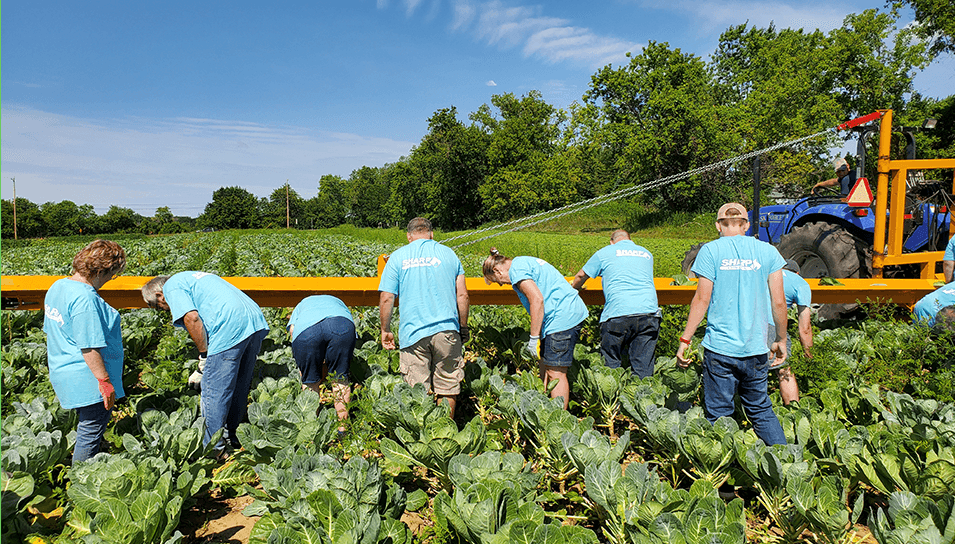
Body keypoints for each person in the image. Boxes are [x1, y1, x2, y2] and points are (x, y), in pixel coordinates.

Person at [676, 202, 788, 447]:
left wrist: (685, 340)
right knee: (760, 410)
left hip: (720, 349)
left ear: (718, 225)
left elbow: (701, 299)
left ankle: (723, 481)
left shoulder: (710, 251)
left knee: (719, 415)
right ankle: (788, 466)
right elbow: (779, 302)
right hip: (757, 348)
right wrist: (780, 339)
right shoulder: (768, 252)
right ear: (746, 225)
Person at [142, 272, 268, 452]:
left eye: (160, 306)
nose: (165, 309)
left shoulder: (171, 286)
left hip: (229, 325)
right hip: (253, 322)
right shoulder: (192, 278)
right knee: (239, 383)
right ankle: (234, 434)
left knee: (213, 389)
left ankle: (214, 448)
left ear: (158, 295)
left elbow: (192, 318)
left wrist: (204, 356)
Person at [43, 240, 127, 463]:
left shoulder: (58, 287)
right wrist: (105, 382)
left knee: (87, 427)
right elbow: (89, 346)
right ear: (103, 270)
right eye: (114, 273)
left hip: (64, 371)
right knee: (90, 432)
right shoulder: (85, 299)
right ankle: (81, 482)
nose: (111, 279)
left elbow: (52, 331)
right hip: (88, 378)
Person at [378, 217, 469, 418]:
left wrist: (386, 329)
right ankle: (444, 431)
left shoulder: (398, 257)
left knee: (417, 391)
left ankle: (421, 436)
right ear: (431, 234)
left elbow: (387, 297)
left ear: (409, 236)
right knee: (448, 385)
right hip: (447, 330)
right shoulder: (449, 254)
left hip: (413, 333)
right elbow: (462, 295)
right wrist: (463, 327)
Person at [483, 248, 588, 410]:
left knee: (556, 372)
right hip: (561, 315)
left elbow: (537, 300)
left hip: (561, 317)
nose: (502, 284)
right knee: (544, 364)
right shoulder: (522, 261)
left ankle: (558, 417)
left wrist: (533, 338)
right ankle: (544, 407)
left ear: (497, 270)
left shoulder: (517, 270)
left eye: (497, 280)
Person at [571, 229, 660, 378]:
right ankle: (641, 396)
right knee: (643, 367)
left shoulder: (605, 252)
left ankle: (614, 397)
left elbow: (581, 275)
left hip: (618, 313)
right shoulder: (646, 253)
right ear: (630, 240)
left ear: (611, 242)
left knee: (611, 365)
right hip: (649, 313)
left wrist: (574, 288)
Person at [288, 295, 356, 429]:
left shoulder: (301, 304)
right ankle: (343, 428)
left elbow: (292, 330)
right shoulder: (339, 302)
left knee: (310, 381)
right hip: (341, 325)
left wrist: (306, 365)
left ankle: (312, 428)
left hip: (307, 331)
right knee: (340, 379)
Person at [770, 259, 813, 406]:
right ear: (798, 273)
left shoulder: (765, 274)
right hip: (771, 327)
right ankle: (792, 411)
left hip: (745, 324)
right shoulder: (799, 282)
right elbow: (805, 328)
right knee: (785, 372)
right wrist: (809, 353)